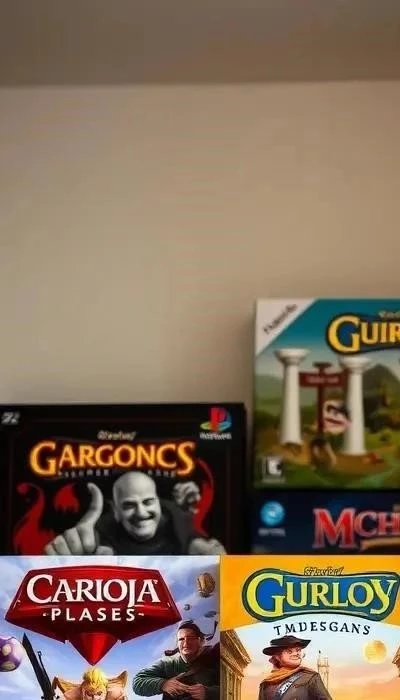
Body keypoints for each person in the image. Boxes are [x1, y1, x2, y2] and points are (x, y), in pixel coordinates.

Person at [44, 472, 225, 555]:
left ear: (158, 502)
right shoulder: (100, 535)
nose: (141, 512)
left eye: (148, 502)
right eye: (129, 505)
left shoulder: (179, 523)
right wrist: (73, 561)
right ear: (116, 512)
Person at [132, 622, 219, 700]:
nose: (186, 643)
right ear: (177, 643)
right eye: (181, 639)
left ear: (200, 641)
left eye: (190, 638)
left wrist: (208, 693)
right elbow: (138, 681)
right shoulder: (168, 662)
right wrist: (163, 684)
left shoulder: (215, 657)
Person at [258, 635, 332, 700]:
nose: (296, 654)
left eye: (298, 650)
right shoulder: (266, 684)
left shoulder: (311, 677)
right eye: (289, 651)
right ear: (277, 656)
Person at [52, 667, 128, 700]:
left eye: (99, 693)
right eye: (89, 694)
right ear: (83, 690)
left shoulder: (114, 693)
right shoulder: (78, 692)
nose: (94, 698)